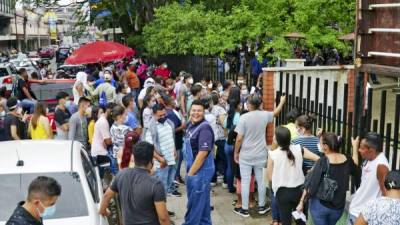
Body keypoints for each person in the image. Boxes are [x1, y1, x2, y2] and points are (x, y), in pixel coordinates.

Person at [233, 94, 286, 217]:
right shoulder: (265, 115)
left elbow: (239, 138)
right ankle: (262, 206)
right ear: (259, 104)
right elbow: (275, 113)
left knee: (245, 181)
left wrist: (236, 152)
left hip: (246, 154)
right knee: (261, 180)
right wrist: (282, 102)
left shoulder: (244, 118)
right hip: (261, 153)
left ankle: (245, 209)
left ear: (249, 105)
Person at [99, 142, 170, 225]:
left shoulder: (122, 174)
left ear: (134, 158)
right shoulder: (156, 185)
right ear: (151, 161)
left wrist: (103, 211)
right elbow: (163, 218)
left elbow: (107, 195)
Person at [296, 132, 359, 225]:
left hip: (321, 206)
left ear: (325, 146)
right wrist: (354, 148)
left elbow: (311, 184)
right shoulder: (347, 159)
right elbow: (355, 166)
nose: (319, 145)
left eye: (320, 143)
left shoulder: (323, 161)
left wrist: (301, 202)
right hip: (338, 207)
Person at [267, 126, 319, 225]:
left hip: (282, 193)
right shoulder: (299, 149)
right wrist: (312, 170)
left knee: (286, 221)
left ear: (277, 140)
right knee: (300, 220)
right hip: (299, 191)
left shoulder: (272, 154)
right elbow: (319, 159)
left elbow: (270, 177)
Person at [182, 100, 215, 225]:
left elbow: (202, 154)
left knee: (194, 207)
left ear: (204, 112)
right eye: (194, 110)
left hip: (199, 173)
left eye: (199, 111)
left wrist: (190, 174)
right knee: (203, 206)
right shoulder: (192, 125)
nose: (196, 113)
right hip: (195, 171)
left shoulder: (205, 128)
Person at [347, 132, 390, 225]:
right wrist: (354, 146)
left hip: (363, 216)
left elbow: (386, 194)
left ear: (371, 150)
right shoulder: (369, 158)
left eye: (362, 148)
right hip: (355, 210)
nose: (359, 150)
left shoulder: (381, 165)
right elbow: (356, 168)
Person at [144, 104, 178, 199]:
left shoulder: (169, 123)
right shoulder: (150, 128)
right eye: (160, 116)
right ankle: (159, 212)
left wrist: (174, 150)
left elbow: (172, 138)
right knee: (160, 190)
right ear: (154, 115)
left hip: (171, 161)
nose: (163, 117)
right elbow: (149, 147)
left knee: (166, 188)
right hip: (161, 164)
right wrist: (160, 159)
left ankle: (163, 210)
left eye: (164, 114)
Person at [91, 104, 113, 178]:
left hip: (98, 152)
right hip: (100, 154)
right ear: (107, 110)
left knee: (101, 178)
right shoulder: (103, 122)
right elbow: (107, 141)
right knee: (103, 178)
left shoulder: (101, 121)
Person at [110, 105, 132, 172]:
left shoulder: (112, 127)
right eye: (125, 114)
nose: (126, 116)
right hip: (126, 159)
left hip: (115, 157)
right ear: (119, 117)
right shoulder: (126, 129)